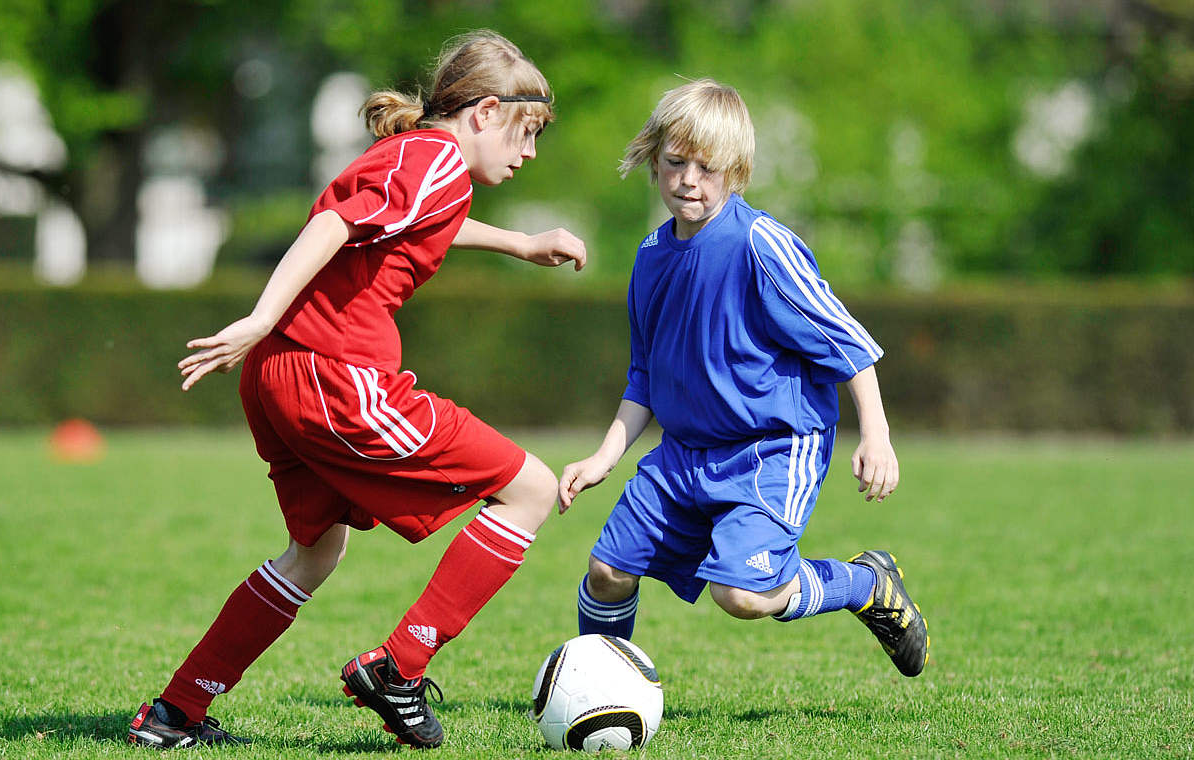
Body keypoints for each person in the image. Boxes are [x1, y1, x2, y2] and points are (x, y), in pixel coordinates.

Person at [127, 30, 586, 750]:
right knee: (529, 488)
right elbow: (335, 223)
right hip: (334, 375)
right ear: (487, 112)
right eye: (526, 134)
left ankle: (174, 713)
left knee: (314, 554)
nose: (527, 154)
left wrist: (521, 245)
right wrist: (260, 314)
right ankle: (397, 668)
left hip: (283, 375)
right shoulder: (437, 162)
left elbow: (412, 222)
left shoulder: (417, 158)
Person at [558, 79, 929, 679]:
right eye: (676, 163)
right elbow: (645, 377)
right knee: (606, 572)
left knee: (745, 597)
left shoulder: (761, 245)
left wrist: (877, 435)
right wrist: (604, 456)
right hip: (683, 456)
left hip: (770, 450)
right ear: (654, 161)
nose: (689, 181)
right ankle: (601, 687)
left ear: (737, 170)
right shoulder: (650, 255)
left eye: (707, 168)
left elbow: (849, 344)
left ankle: (864, 583)